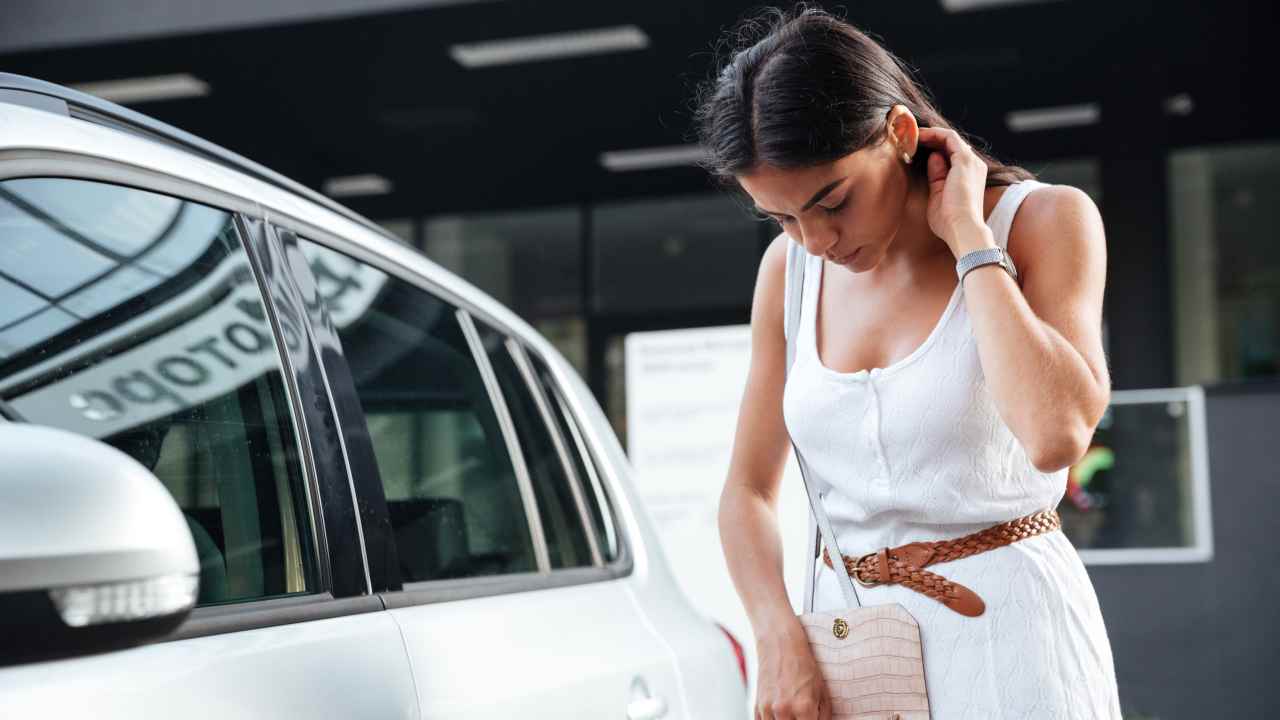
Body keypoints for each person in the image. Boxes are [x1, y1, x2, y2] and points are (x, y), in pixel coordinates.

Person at [696, 5, 1122, 719]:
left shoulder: (1045, 221)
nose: (817, 240)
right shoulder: (789, 274)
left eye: (833, 201)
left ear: (898, 133)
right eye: (783, 218)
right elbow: (747, 492)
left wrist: (969, 241)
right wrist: (776, 638)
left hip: (1013, 642)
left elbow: (1056, 435)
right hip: (853, 649)